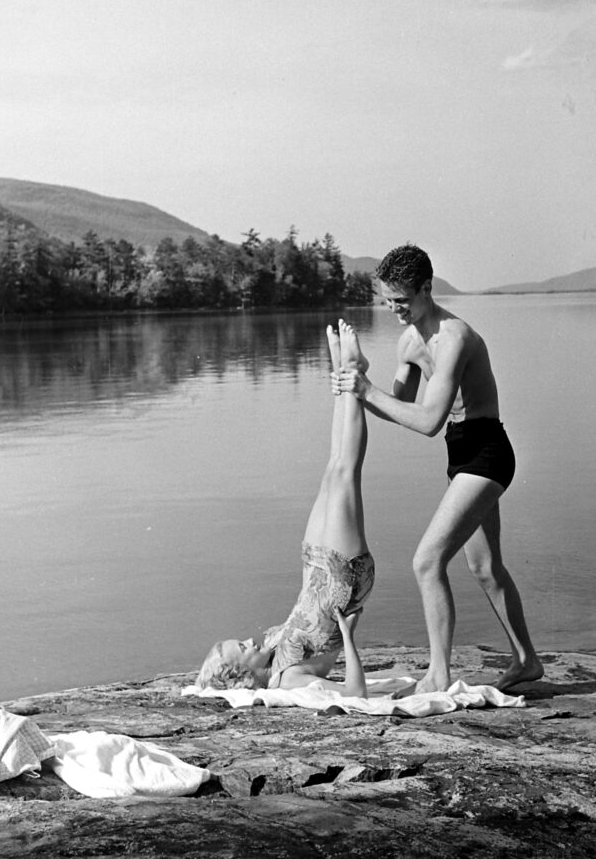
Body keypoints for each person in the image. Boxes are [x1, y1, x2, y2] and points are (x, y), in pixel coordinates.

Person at [333, 244, 543, 695]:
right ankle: (527, 662)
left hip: (488, 452)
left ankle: (438, 674)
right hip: (460, 454)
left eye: (402, 301)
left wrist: (366, 390)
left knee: (427, 562)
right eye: (387, 301)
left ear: (427, 288)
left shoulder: (456, 338)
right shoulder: (409, 341)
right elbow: (399, 405)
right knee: (485, 567)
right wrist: (360, 375)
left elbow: (428, 421)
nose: (394, 310)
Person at [196, 320, 373, 698]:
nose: (248, 639)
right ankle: (354, 374)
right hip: (343, 578)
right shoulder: (287, 679)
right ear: (240, 676)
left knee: (331, 467)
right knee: (345, 471)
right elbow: (356, 695)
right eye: (241, 649)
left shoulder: (271, 653)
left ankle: (343, 371)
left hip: (314, 568)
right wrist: (348, 637)